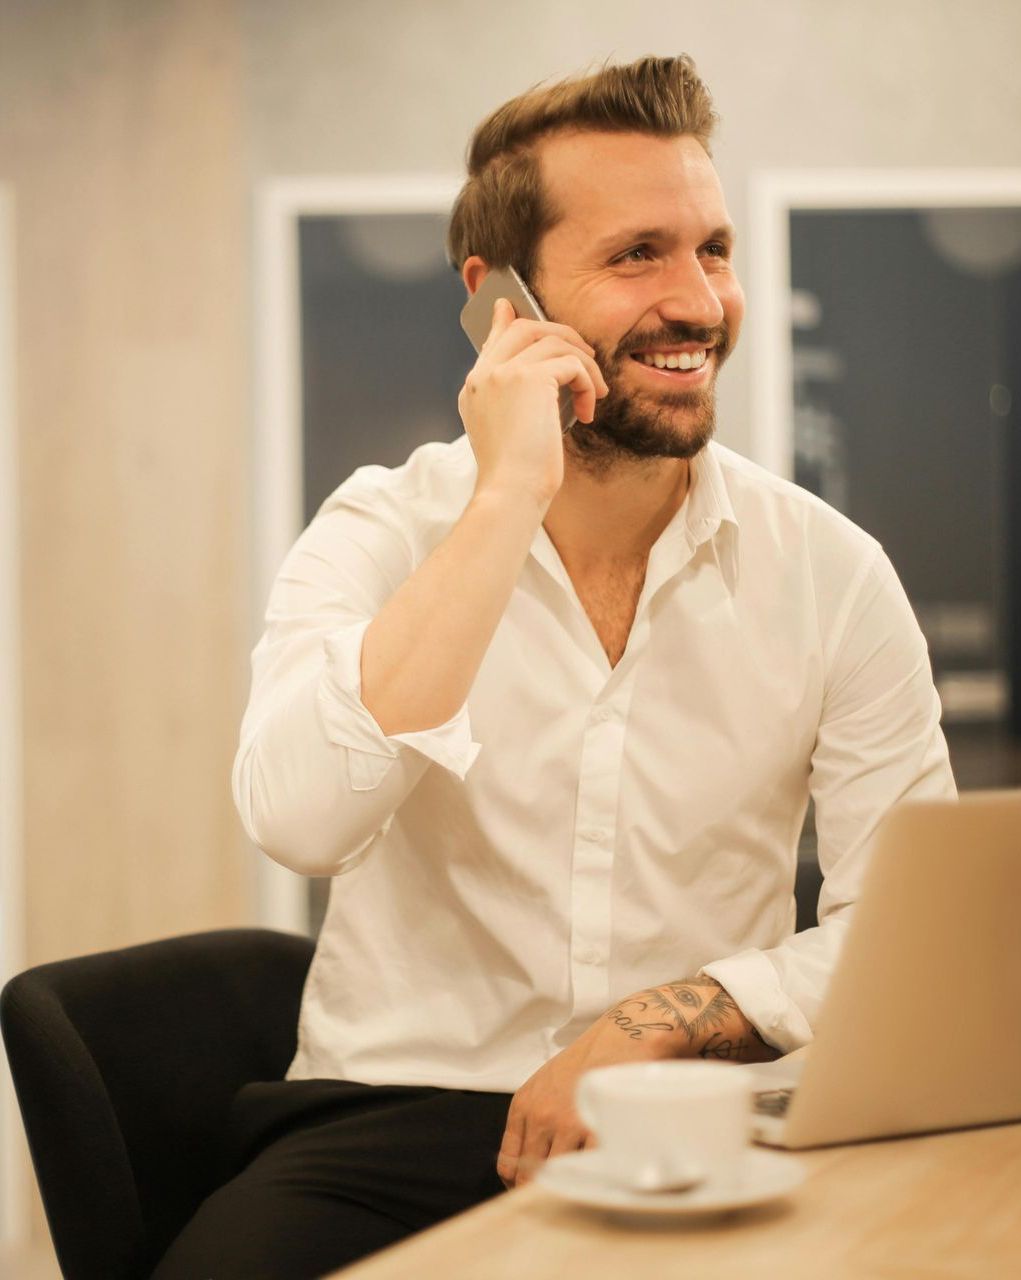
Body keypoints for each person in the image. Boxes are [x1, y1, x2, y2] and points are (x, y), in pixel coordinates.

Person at [154, 53, 956, 1279]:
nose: (699, 301)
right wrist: (505, 496)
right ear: (501, 300)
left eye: (713, 249)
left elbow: (906, 927)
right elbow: (300, 818)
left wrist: (655, 1020)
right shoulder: (380, 529)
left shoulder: (832, 573)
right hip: (390, 1118)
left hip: (699, 1113)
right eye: (637, 254)